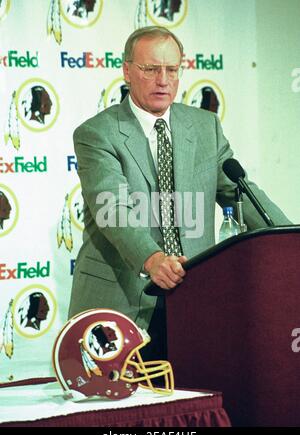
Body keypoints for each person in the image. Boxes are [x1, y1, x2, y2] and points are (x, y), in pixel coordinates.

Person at [69, 26, 291, 360]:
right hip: (121, 299)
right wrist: (153, 258)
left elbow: (241, 193)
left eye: (172, 70)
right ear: (127, 71)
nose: (163, 80)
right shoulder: (97, 134)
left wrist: (288, 242)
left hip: (193, 299)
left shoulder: (205, 127)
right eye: (150, 69)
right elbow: (112, 209)